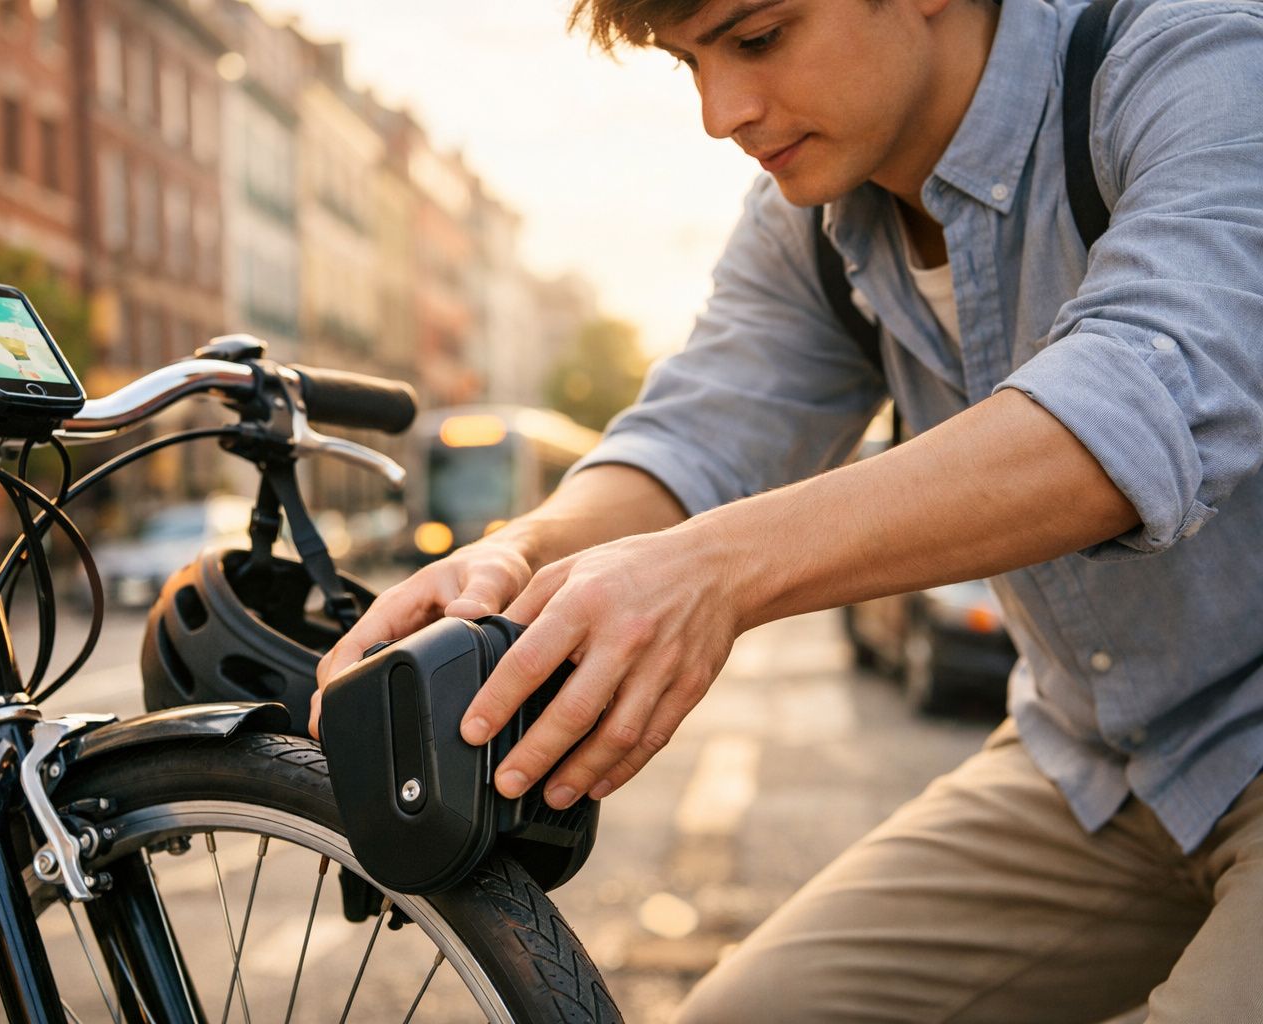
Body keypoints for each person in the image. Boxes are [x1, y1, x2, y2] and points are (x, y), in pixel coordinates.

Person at [315, 0, 1263, 1018]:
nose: (721, 113)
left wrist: (715, 568)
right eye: (690, 64)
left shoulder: (1199, 54)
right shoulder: (815, 218)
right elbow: (697, 437)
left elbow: (1151, 391)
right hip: (1093, 769)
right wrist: (520, 552)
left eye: (759, 38)